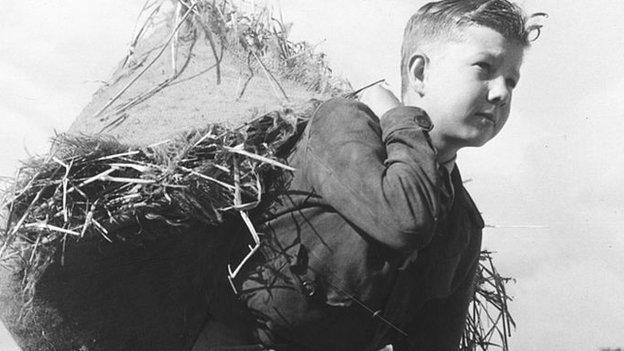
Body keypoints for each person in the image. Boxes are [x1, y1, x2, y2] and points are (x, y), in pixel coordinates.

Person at [193, 0, 538, 350]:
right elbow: (405, 220)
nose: (501, 92)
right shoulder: (343, 124)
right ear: (419, 73)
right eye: (484, 67)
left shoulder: (461, 223)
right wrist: (401, 117)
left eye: (512, 80)